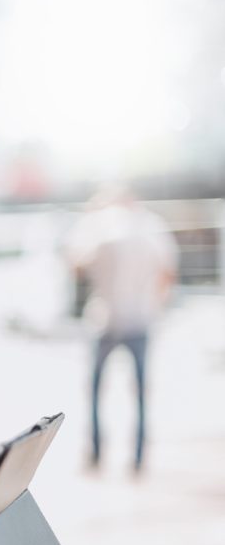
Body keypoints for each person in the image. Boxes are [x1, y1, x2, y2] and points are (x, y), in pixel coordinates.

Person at [68, 184, 178, 472]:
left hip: (105, 317)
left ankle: (96, 451)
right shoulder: (152, 227)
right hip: (141, 317)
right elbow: (168, 272)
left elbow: (76, 264)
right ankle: (139, 455)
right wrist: (156, 303)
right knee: (140, 390)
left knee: (95, 388)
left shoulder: (98, 227)